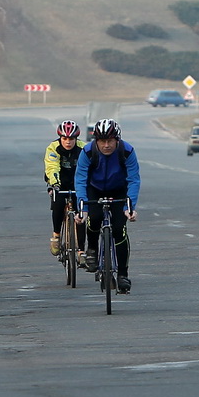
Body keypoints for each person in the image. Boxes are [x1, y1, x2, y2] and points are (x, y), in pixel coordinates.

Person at [75, 118, 139, 293]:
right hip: (94, 189)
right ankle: (93, 250)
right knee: (94, 218)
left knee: (119, 230)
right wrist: (83, 208)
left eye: (110, 141)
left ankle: (123, 275)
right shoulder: (87, 152)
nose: (106, 145)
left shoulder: (127, 151)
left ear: (117, 140)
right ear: (96, 140)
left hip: (119, 190)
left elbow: (133, 179)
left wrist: (130, 207)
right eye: (102, 141)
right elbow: (80, 180)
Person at [43, 120, 86, 257]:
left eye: (71, 139)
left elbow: (89, 168)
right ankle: (56, 235)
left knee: (81, 213)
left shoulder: (83, 149)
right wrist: (55, 184)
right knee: (58, 205)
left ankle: (81, 249)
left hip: (77, 183)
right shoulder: (53, 148)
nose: (68, 142)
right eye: (65, 138)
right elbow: (52, 167)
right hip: (59, 183)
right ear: (60, 138)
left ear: (76, 138)